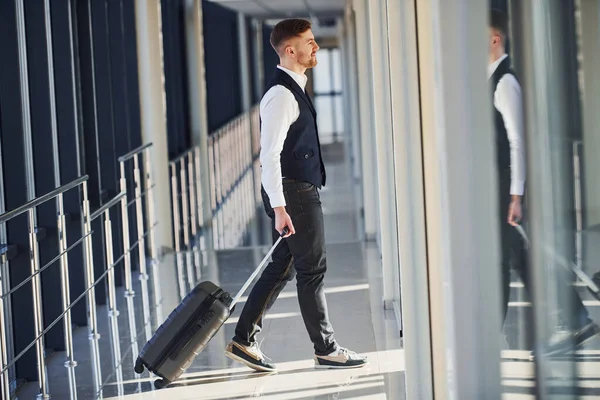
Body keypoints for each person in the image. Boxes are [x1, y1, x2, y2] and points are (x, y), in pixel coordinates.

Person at [224, 18, 368, 372]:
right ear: (291, 50)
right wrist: (280, 207)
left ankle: (244, 339)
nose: (315, 46)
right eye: (310, 41)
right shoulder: (281, 94)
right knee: (312, 270)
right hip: (294, 194)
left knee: (283, 269)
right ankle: (326, 348)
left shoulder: (293, 88)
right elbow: (268, 154)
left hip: (294, 192)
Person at [489, 9, 599, 355]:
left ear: (495, 39)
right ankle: (576, 317)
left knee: (514, 259)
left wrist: (516, 194)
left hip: (511, 188)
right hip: (505, 187)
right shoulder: (492, 79)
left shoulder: (505, 82)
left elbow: (518, 140)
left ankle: (574, 318)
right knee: (518, 258)